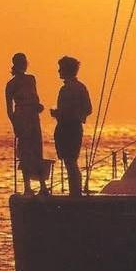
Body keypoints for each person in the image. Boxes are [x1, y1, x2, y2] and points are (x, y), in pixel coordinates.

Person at [5, 52, 48, 195]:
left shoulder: (31, 79)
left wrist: (38, 106)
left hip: (33, 117)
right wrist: (15, 125)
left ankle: (42, 186)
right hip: (21, 118)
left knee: (37, 151)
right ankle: (27, 186)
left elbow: (35, 98)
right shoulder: (11, 85)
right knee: (25, 153)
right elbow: (9, 110)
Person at [51, 55, 92, 197]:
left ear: (66, 70)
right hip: (75, 127)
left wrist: (59, 114)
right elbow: (88, 109)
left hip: (67, 128)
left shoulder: (66, 89)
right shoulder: (81, 87)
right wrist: (79, 116)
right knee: (71, 161)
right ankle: (75, 191)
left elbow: (65, 111)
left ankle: (75, 193)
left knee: (70, 162)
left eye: (60, 68)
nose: (58, 71)